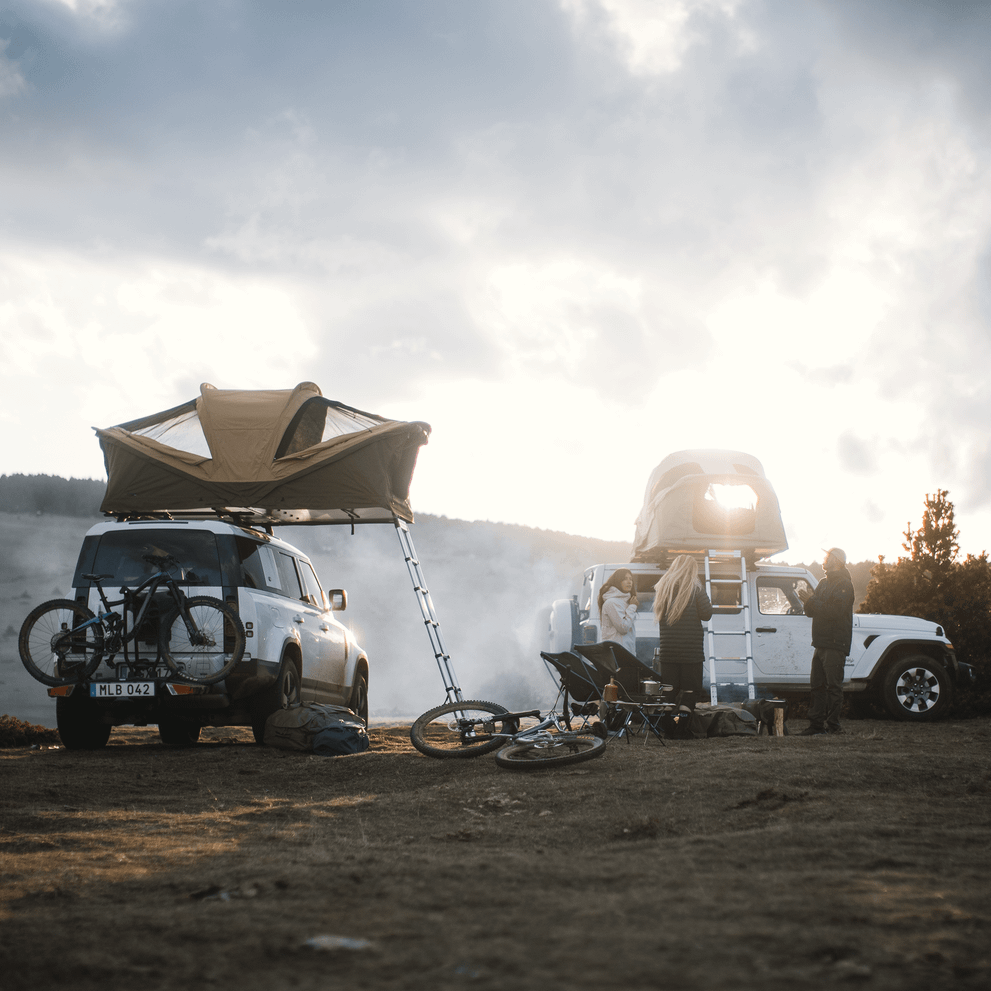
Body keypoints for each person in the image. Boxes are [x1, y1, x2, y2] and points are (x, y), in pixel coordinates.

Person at [796, 547, 855, 735]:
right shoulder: (822, 583)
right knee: (818, 686)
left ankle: (834, 726)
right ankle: (816, 726)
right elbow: (812, 612)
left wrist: (811, 601)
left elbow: (834, 612)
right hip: (820, 643)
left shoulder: (845, 585)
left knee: (833, 687)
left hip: (835, 643)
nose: (825, 559)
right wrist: (807, 602)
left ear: (836, 561)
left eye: (828, 557)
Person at [652, 555, 712, 710]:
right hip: (691, 653)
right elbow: (707, 614)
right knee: (689, 692)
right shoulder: (695, 588)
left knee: (668, 693)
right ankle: (682, 731)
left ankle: (668, 731)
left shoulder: (663, 588)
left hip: (668, 653)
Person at [598, 568, 638, 654]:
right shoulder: (611, 602)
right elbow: (623, 627)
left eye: (630, 579)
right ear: (617, 581)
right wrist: (632, 606)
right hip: (616, 654)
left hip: (626, 653)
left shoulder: (626, 602)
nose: (629, 582)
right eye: (625, 579)